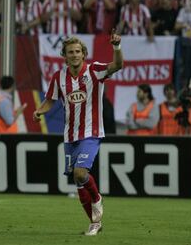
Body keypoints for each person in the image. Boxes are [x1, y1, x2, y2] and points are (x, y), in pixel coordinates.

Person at [33, 31, 123, 236]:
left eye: (77, 51)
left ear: (84, 54)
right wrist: (39, 111)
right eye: (70, 52)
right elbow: (50, 100)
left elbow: (117, 65)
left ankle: (97, 198)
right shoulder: (59, 76)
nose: (74, 55)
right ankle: (95, 223)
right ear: (64, 56)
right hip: (69, 135)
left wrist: (116, 48)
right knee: (78, 181)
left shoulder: (95, 71)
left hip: (91, 132)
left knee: (80, 173)